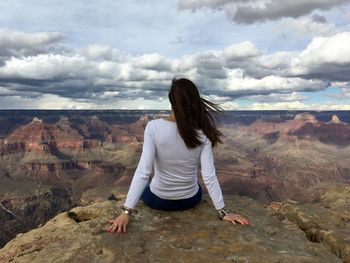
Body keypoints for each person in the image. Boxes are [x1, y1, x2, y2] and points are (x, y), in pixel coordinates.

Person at [107, 77, 251, 234]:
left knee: (148, 187)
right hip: (189, 200)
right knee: (196, 185)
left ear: (171, 100)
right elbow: (208, 176)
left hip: (158, 201)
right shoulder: (203, 133)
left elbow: (144, 171)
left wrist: (126, 212)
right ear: (194, 101)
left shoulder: (153, 127)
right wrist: (223, 211)